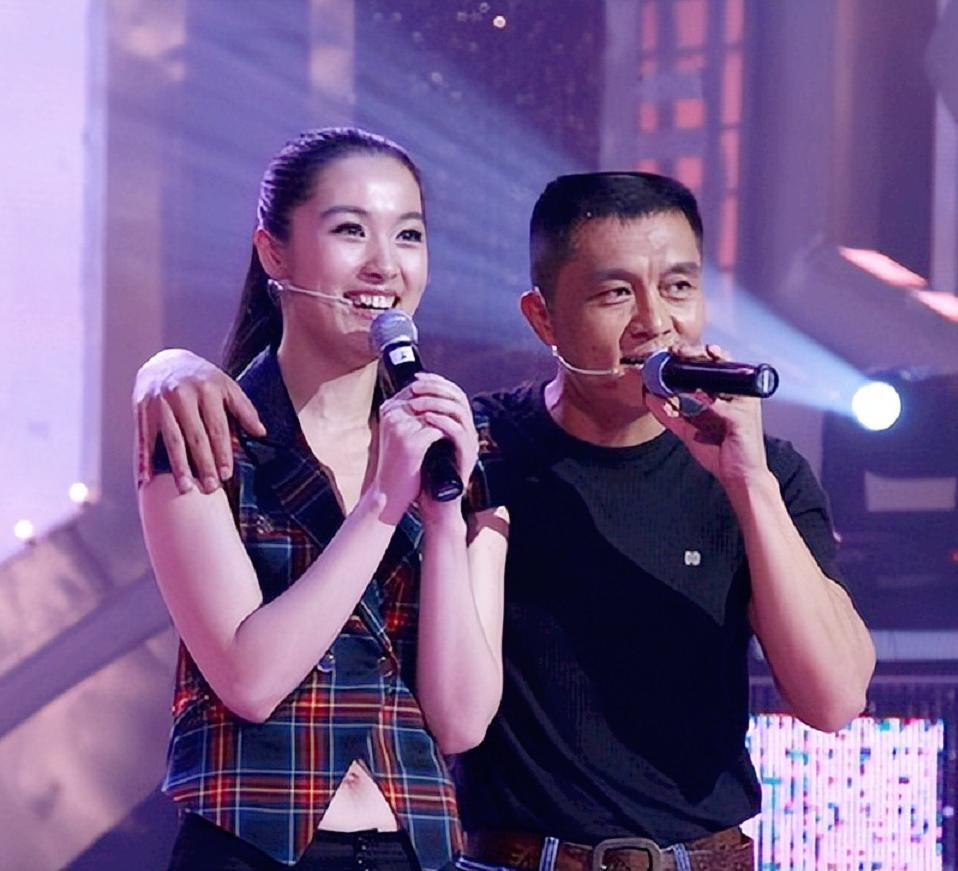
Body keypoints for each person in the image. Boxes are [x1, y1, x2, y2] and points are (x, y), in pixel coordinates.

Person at [135, 171, 875, 870]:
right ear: (542, 317)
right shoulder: (479, 450)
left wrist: (748, 483)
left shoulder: (762, 473)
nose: (655, 322)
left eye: (678, 286)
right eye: (616, 292)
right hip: (512, 854)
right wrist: (168, 367)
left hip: (707, 855)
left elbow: (834, 698)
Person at [136, 127, 507, 871]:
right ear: (274, 253)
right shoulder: (204, 433)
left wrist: (442, 518)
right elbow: (249, 680)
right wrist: (381, 501)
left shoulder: (461, 447)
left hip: (415, 851)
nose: (385, 264)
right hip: (250, 848)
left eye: (408, 234)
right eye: (349, 230)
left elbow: (461, 721)